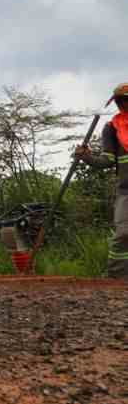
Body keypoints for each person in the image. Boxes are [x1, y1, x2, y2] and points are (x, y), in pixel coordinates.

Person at [74, 83, 128, 281]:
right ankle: (116, 277)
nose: (125, 104)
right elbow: (106, 161)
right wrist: (86, 156)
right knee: (123, 234)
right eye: (122, 101)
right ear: (117, 103)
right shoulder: (111, 129)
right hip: (126, 191)